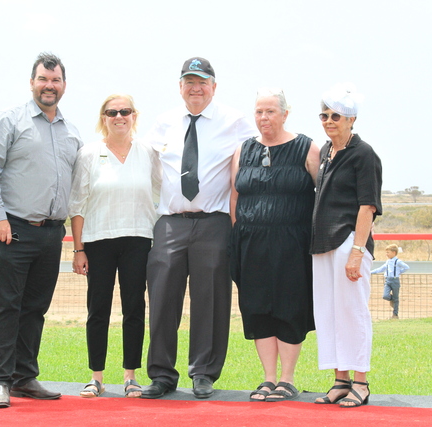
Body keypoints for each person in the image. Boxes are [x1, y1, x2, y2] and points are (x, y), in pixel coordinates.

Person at [141, 57, 257, 399]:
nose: (196, 88)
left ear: (214, 87)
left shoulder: (234, 121)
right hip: (170, 222)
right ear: (180, 87)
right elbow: (143, 162)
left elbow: (259, 155)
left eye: (202, 82)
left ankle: (203, 373)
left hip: (214, 223)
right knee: (162, 299)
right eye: (189, 82)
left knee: (210, 300)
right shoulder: (164, 122)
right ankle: (162, 374)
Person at [0, 52, 82, 408]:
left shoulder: (71, 132)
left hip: (51, 233)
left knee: (35, 308)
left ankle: (24, 377)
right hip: (13, 228)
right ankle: (0, 380)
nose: (49, 86)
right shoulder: (9, 120)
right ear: (32, 82)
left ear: (63, 85)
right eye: (43, 79)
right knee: (5, 306)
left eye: (55, 80)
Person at [230, 88, 320, 402]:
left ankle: (287, 379)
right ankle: (268, 378)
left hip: (292, 244)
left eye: (270, 111)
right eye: (259, 112)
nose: (264, 117)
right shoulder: (243, 150)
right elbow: (235, 197)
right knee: (257, 309)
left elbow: (323, 195)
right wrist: (239, 232)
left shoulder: (307, 148)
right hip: (251, 244)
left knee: (289, 307)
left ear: (285, 114)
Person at [69, 94, 161, 398]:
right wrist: (78, 249)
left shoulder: (148, 152)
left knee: (134, 308)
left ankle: (130, 376)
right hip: (98, 241)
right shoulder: (88, 154)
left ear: (134, 115)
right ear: (103, 118)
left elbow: (162, 193)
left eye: (125, 111)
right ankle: (96, 377)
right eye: (112, 112)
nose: (119, 117)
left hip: (138, 239)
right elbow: (77, 204)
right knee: (98, 309)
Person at [310, 83, 382, 408]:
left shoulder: (364, 154)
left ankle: (361, 383)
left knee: (353, 312)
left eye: (335, 116)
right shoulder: (326, 151)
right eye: (324, 115)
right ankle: (340, 380)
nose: (329, 121)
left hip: (348, 243)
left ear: (351, 119)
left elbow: (368, 206)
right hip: (322, 245)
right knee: (328, 313)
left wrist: (357, 251)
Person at [371, 244, 410, 319]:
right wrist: (370, 272)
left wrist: (399, 272)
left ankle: (395, 315)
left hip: (395, 280)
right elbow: (381, 269)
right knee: (385, 295)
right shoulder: (388, 262)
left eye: (388, 252)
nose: (387, 254)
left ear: (394, 252)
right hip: (388, 280)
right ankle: (392, 300)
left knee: (396, 297)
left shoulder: (398, 261)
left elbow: (406, 267)